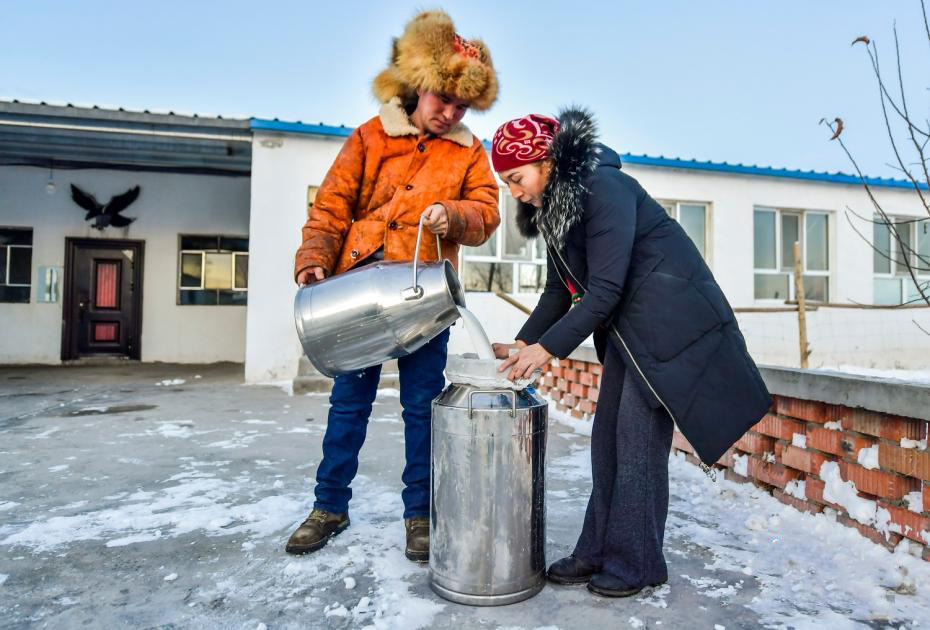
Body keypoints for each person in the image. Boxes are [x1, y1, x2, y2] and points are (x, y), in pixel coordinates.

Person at [490, 109, 771, 597]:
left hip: (669, 325)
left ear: (547, 161)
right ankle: (597, 551)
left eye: (516, 178)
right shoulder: (557, 207)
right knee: (608, 442)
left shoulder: (604, 188)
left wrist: (546, 352)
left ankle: (637, 563)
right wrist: (524, 342)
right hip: (629, 334)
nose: (514, 191)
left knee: (637, 445)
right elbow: (559, 292)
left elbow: (602, 290)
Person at [287, 10, 500, 562]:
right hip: (358, 291)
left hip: (424, 295)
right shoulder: (370, 137)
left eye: (460, 106)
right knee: (348, 404)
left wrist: (451, 214)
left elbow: (487, 213)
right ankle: (328, 506)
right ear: (419, 85)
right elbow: (332, 204)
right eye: (442, 100)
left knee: (422, 408)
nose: (449, 113)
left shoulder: (469, 152)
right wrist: (315, 256)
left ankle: (421, 516)